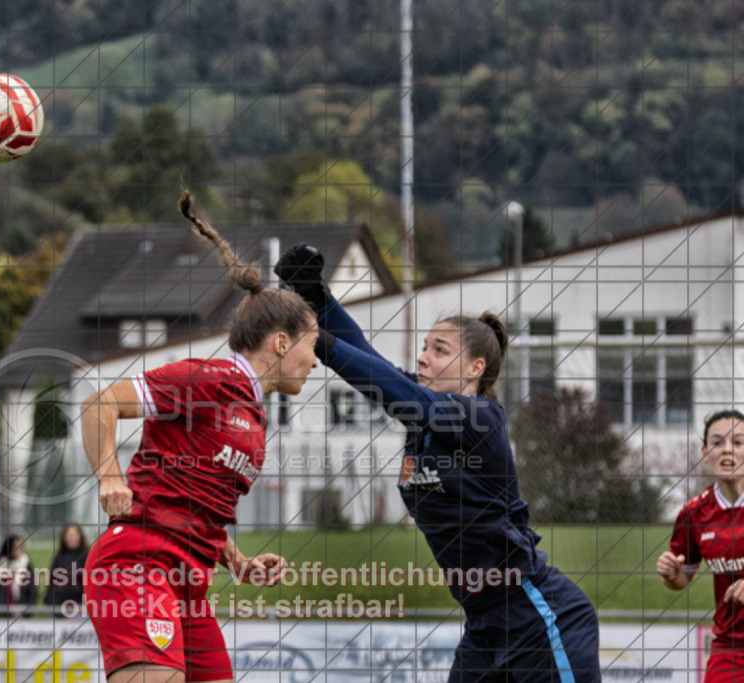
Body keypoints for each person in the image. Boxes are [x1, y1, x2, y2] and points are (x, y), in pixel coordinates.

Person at [275, 244, 601, 682]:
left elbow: (389, 385)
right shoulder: (422, 415)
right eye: (425, 347)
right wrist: (317, 298)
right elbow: (372, 365)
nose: (424, 357)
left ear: (475, 368)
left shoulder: (479, 417)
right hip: (484, 626)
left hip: (540, 618)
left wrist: (319, 342)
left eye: (440, 350)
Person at [81, 190, 320, 683]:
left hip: (189, 585)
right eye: (311, 346)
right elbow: (99, 402)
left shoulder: (255, 417)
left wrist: (235, 558)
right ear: (281, 342)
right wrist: (108, 477)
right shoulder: (208, 379)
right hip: (137, 565)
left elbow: (199, 504)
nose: (315, 361)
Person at [658, 409, 744, 681]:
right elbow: (683, 577)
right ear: (706, 453)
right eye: (718, 443)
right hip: (730, 648)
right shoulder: (693, 513)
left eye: (738, 442)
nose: (727, 450)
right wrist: (672, 575)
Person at [0, 534, 37, 617]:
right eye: (16, 547)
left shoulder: (27, 567)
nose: (20, 550)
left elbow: (32, 591)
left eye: (21, 547)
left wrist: (27, 611)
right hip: (0, 614)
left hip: (21, 615)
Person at [43, 523, 89, 616]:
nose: (71, 538)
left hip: (79, 609)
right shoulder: (59, 557)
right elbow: (51, 583)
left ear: (80, 537)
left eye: (74, 535)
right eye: (68, 535)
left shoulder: (87, 557)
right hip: (58, 608)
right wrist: (51, 601)